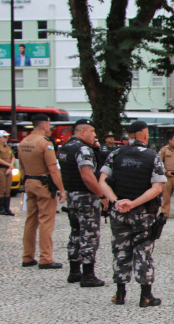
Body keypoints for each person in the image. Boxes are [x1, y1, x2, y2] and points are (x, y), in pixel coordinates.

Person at [98, 120, 166, 306]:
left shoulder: (116, 154)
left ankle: (120, 294)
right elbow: (157, 188)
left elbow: (102, 181)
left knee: (120, 250)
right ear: (144, 134)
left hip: (118, 212)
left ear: (129, 135)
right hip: (143, 213)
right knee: (143, 251)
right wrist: (133, 203)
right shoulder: (152, 157)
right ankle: (146, 295)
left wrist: (116, 201)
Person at [58, 119, 108, 287]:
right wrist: (101, 195)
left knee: (75, 232)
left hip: (72, 195)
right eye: (92, 132)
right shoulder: (82, 149)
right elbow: (87, 175)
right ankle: (88, 274)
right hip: (86, 196)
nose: (95, 135)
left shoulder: (65, 147)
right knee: (89, 234)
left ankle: (74, 271)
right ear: (84, 132)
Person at [19, 114, 66, 269]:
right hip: (43, 184)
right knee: (46, 221)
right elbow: (53, 169)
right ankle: (46, 258)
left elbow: (22, 167)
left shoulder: (23, 142)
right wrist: (62, 189)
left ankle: (27, 256)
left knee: (31, 220)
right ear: (45, 125)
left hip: (29, 182)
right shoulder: (45, 143)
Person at [0, 130, 16, 216]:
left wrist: (10, 166)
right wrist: (9, 165)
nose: (6, 138)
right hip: (1, 168)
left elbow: (13, 157)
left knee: (8, 189)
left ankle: (7, 208)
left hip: (8, 169)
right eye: (4, 137)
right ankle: (1, 209)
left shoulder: (8, 147)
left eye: (6, 137)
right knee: (2, 189)